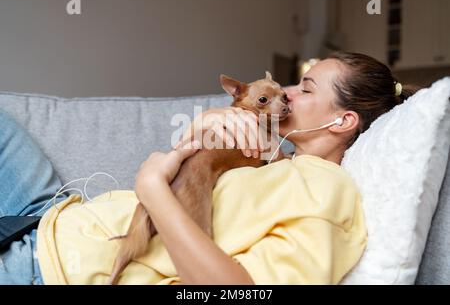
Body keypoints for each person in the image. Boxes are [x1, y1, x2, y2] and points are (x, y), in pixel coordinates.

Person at [0, 52, 418, 285]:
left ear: (344, 121)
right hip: (53, 216)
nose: (286, 94)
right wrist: (198, 134)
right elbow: (195, 188)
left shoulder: (327, 192)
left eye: (305, 88)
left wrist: (152, 188)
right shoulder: (277, 158)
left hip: (54, 266)